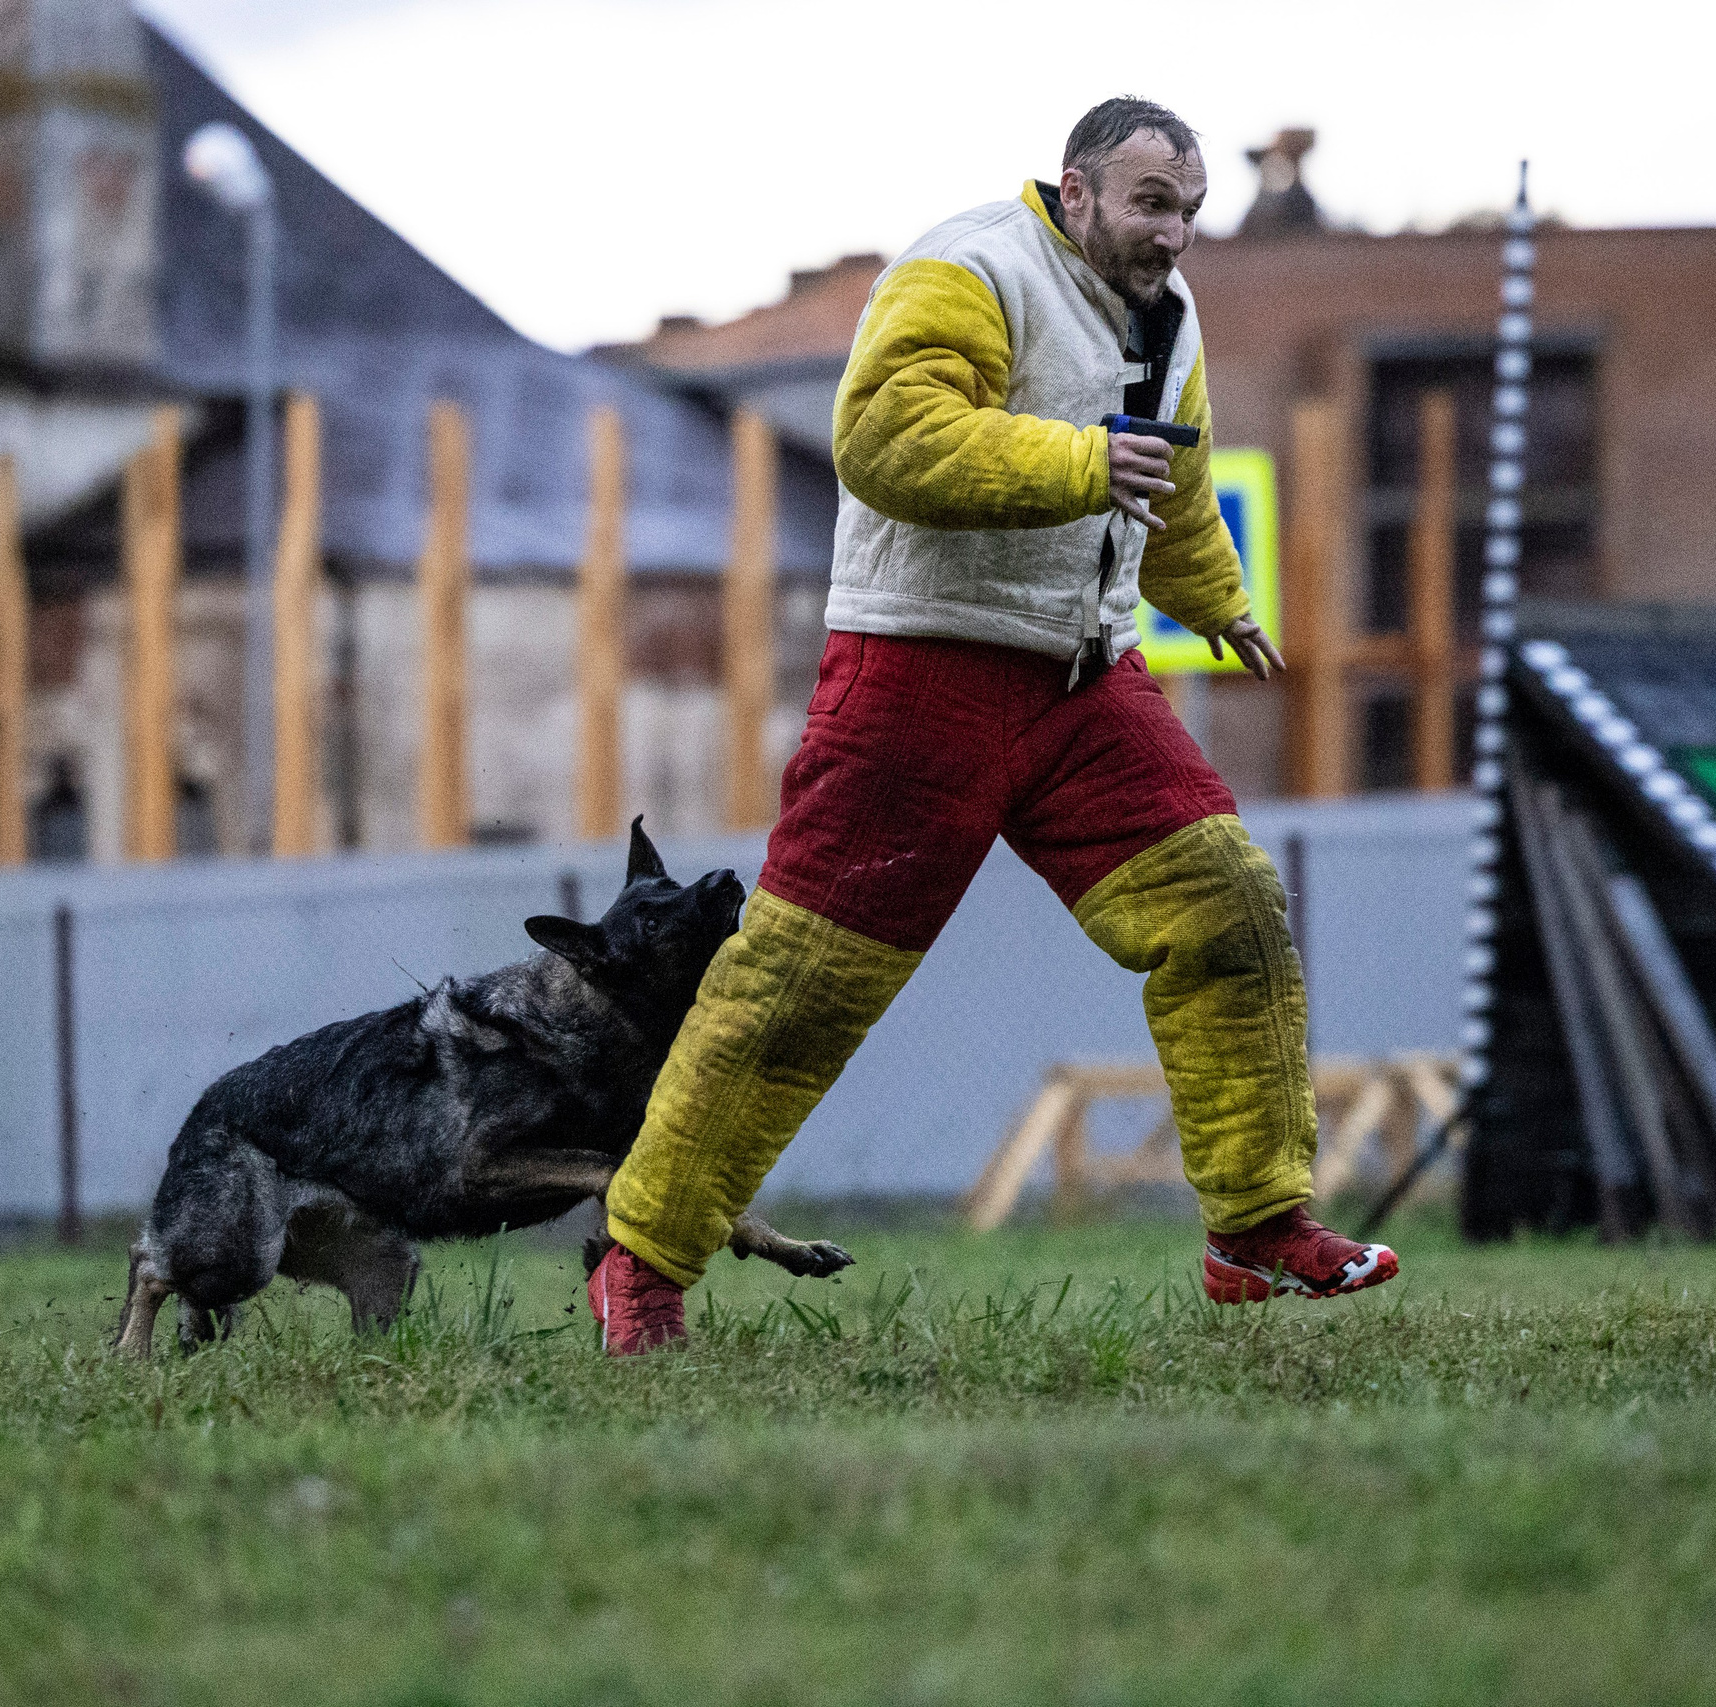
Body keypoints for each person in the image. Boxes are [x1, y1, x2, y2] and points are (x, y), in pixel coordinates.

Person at [586, 96, 1399, 1354]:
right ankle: (640, 1263)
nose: (1174, 234)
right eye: (1151, 204)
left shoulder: (1171, 311)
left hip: (1084, 683)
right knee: (798, 992)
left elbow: (1173, 477)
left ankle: (1253, 1231)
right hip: (918, 678)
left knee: (1228, 908)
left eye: (1188, 211)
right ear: (1075, 191)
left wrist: (1216, 600)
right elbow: (883, 438)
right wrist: (1079, 463)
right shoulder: (967, 269)